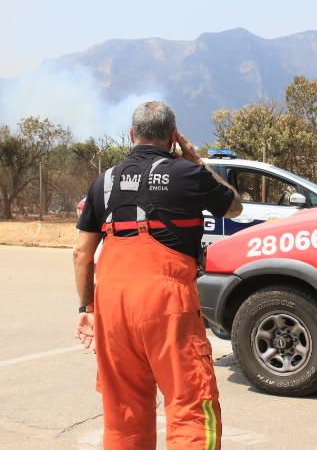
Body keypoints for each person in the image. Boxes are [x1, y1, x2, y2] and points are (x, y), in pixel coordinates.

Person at [72, 101, 242, 450]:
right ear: (173, 136)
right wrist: (196, 160)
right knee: (191, 403)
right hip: (166, 301)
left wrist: (85, 309)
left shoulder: (104, 181)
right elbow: (234, 206)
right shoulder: (187, 173)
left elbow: (81, 254)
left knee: (123, 412)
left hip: (112, 305)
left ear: (132, 135)